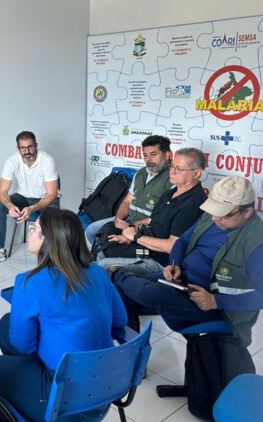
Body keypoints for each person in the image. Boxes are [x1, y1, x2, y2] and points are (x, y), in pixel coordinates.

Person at [0, 208, 127, 422]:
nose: (30, 232)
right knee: (5, 324)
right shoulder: (98, 272)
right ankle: (28, 384)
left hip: (62, 403)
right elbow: (120, 321)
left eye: (34, 229)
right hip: (105, 387)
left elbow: (23, 346)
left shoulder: (30, 283)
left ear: (49, 240)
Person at [111, 176, 263, 346]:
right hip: (182, 281)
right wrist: (174, 264)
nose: (214, 218)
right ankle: (134, 356)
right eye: (213, 211)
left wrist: (216, 301)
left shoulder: (257, 243)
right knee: (121, 292)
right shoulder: (211, 218)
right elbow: (182, 241)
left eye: (222, 214)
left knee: (148, 292)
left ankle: (116, 273)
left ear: (247, 213)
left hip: (215, 305)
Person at [97, 147, 207, 275]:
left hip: (160, 261)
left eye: (179, 169)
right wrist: (127, 235)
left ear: (197, 173)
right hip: (145, 246)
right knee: (102, 249)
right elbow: (151, 221)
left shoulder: (192, 204)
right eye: (172, 166)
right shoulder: (170, 193)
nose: (172, 172)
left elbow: (172, 246)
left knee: (103, 265)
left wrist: (135, 237)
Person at [0, 131, 59, 267]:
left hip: (45, 199)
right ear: (18, 149)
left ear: (36, 145)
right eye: (23, 148)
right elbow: (2, 192)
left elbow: (52, 194)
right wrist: (9, 206)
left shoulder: (47, 160)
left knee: (53, 218)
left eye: (30, 147)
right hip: (23, 197)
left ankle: (53, 255)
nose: (27, 151)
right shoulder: (12, 161)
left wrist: (33, 208)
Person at [86, 135, 172, 244]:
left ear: (167, 155)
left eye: (153, 155)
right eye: (145, 155)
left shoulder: (173, 179)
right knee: (91, 231)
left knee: (110, 245)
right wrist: (119, 220)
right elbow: (127, 202)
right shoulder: (140, 173)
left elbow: (161, 219)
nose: (148, 159)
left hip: (147, 228)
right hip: (128, 221)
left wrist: (131, 227)